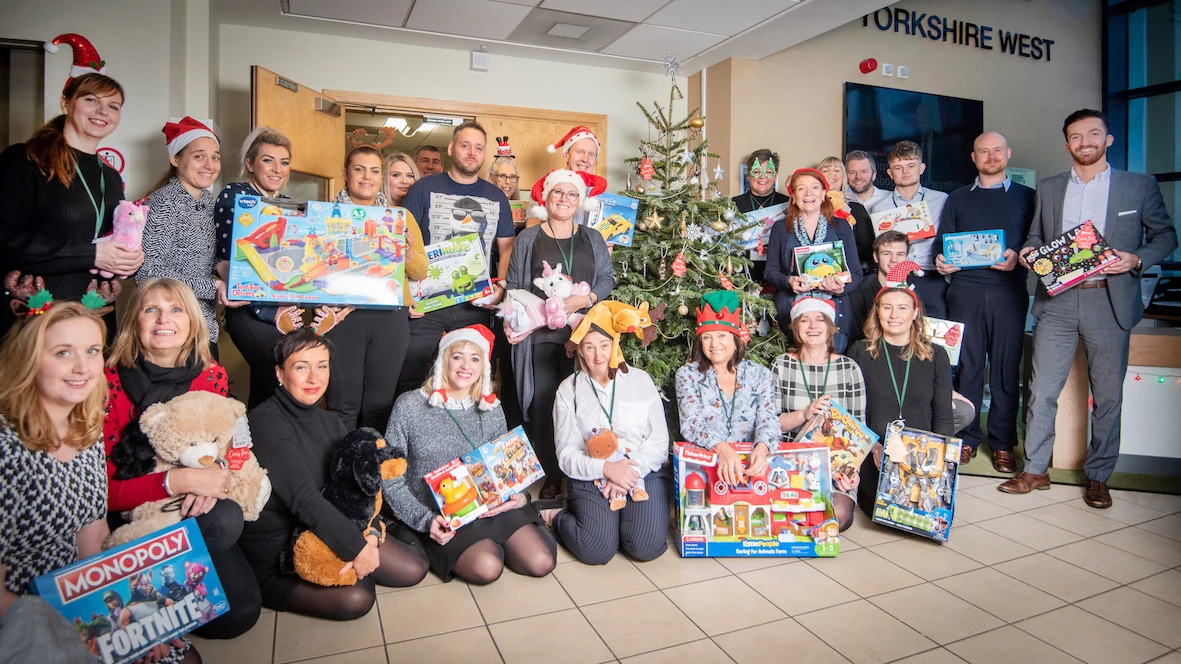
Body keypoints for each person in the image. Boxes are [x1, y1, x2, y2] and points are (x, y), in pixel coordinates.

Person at [0, 298, 197, 663]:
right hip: (24, 615)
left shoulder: (85, 431)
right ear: (28, 359)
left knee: (180, 656)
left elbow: (92, 538)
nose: (81, 367)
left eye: (91, 351)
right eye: (62, 353)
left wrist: (128, 620)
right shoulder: (6, 448)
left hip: (80, 598)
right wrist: (91, 632)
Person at [1004, 109, 1177, 508]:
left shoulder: (1139, 186)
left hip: (1109, 299)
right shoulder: (1048, 188)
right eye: (1077, 137)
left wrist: (1136, 258)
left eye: (1093, 134)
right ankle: (1035, 469)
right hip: (1057, 301)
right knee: (1041, 391)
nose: (1085, 142)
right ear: (1067, 144)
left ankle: (1099, 476)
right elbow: (1034, 236)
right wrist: (1030, 253)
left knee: (1108, 396)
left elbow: (1166, 236)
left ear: (1107, 140)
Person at [101, 277, 261, 639]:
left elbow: (229, 443)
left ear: (192, 321)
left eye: (176, 310)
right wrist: (177, 481)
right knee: (226, 519)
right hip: (135, 515)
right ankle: (146, 609)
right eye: (151, 310)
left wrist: (214, 478)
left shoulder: (212, 375)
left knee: (242, 614)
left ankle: (165, 603)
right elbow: (103, 492)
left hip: (197, 513)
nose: (163, 319)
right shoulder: (107, 381)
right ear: (133, 321)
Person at [241, 329, 429, 619]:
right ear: (280, 373)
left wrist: (373, 536)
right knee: (357, 599)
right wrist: (355, 548)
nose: (314, 378)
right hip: (281, 550)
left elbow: (355, 490)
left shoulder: (332, 422)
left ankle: (408, 533)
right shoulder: (263, 420)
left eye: (322, 366)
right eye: (301, 367)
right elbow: (304, 500)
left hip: (329, 527)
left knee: (414, 568)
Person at [383, 325, 557, 583]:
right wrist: (425, 520)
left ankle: (511, 531)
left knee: (541, 561)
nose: (466, 366)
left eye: (475, 358)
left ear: (483, 366)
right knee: (487, 567)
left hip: (491, 507)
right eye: (457, 356)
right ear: (443, 360)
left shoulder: (491, 406)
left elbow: (508, 468)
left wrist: (518, 497)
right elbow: (389, 478)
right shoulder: (409, 405)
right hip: (442, 515)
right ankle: (487, 544)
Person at [0, 73, 140, 336]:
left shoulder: (109, 176)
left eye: (113, 106)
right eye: (91, 100)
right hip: (33, 317)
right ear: (65, 103)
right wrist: (93, 254)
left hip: (93, 314)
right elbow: (4, 240)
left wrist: (129, 261)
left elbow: (108, 242)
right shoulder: (26, 159)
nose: (102, 111)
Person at [507, 169, 613, 499]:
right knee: (545, 405)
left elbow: (607, 280)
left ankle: (587, 472)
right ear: (546, 197)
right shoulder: (528, 238)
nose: (564, 200)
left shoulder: (593, 238)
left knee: (587, 402)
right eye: (558, 193)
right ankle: (553, 473)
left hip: (587, 335)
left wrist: (585, 299)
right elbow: (514, 287)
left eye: (571, 194)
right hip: (541, 336)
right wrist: (516, 323)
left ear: (580, 200)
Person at [935, 132, 1035, 473]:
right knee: (968, 368)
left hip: (1009, 292)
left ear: (1008, 153)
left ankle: (1004, 442)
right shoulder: (957, 199)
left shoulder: (1028, 198)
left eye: (996, 151)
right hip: (965, 291)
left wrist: (1019, 256)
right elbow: (941, 244)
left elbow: (1036, 242)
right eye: (983, 152)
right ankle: (967, 437)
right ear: (973, 158)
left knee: (1007, 369)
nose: (990, 156)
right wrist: (940, 261)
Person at [397, 121, 516, 398]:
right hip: (426, 303)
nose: (472, 153)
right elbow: (402, 243)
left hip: (474, 305)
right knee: (412, 377)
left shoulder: (496, 196)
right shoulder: (423, 189)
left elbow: (506, 249)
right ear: (452, 149)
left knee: (467, 382)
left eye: (478, 148)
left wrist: (501, 287)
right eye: (465, 145)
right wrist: (406, 295)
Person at [544, 308, 670, 563]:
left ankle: (619, 520)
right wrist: (606, 470)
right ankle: (554, 515)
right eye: (589, 347)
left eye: (604, 345)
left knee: (644, 548)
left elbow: (658, 441)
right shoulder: (568, 390)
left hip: (641, 471)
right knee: (596, 550)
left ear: (616, 344)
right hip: (593, 472)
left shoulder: (640, 381)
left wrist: (626, 472)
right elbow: (566, 454)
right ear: (580, 350)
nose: (598, 355)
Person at [323, 146, 428, 430]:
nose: (366, 177)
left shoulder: (400, 218)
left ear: (380, 176)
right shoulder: (325, 216)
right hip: (343, 318)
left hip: (389, 319)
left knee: (380, 405)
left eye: (373, 170)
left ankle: (376, 471)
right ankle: (340, 471)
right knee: (343, 404)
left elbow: (421, 271)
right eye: (359, 169)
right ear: (345, 174)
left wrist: (406, 253)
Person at [846, 275, 954, 517]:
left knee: (927, 514)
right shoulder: (859, 352)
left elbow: (944, 415)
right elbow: (850, 414)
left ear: (915, 313)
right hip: (876, 454)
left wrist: (942, 463)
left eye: (902, 308)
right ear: (878, 312)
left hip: (921, 457)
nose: (894, 315)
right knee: (884, 510)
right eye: (887, 307)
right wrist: (870, 445)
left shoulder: (936, 355)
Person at [773, 296, 866, 531]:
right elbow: (771, 425)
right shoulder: (781, 365)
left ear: (830, 327)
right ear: (796, 327)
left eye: (820, 320)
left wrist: (851, 472)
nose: (813, 327)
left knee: (840, 516)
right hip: (788, 463)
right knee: (779, 511)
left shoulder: (849, 369)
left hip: (834, 467)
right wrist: (804, 414)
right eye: (805, 320)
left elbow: (859, 433)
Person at [215, 127, 292, 407]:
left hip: (281, 308)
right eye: (268, 160)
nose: (277, 169)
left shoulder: (287, 204)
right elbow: (219, 252)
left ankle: (255, 447)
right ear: (250, 164)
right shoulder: (235, 195)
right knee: (275, 377)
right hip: (246, 307)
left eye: (284, 162)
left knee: (267, 385)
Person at [138, 117, 224, 354]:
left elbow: (198, 259)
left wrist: (221, 266)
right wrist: (214, 288)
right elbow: (148, 272)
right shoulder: (164, 202)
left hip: (203, 325)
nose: (209, 165)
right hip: (171, 330)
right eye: (199, 156)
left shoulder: (207, 201)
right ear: (175, 159)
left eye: (215, 157)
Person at [676, 291, 779, 486]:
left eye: (722, 335)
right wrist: (722, 448)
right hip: (705, 468)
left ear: (735, 338)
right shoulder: (687, 375)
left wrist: (763, 448)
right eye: (707, 337)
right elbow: (691, 423)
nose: (714, 344)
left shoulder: (760, 374)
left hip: (752, 467)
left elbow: (769, 420)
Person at [764, 167, 863, 352]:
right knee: (796, 368)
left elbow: (856, 274)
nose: (808, 193)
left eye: (815, 187)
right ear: (793, 196)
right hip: (792, 310)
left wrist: (842, 287)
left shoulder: (841, 227)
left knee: (831, 366)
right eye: (801, 188)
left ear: (824, 193)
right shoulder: (780, 228)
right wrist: (789, 281)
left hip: (835, 309)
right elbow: (770, 272)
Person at [869, 141, 950, 317]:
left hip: (932, 277)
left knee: (935, 334)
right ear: (890, 173)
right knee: (897, 330)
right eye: (898, 167)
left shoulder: (942, 200)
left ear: (921, 168)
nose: (905, 172)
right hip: (896, 278)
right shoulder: (879, 208)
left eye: (911, 165)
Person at [849, 231, 910, 344]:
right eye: (887, 253)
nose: (894, 259)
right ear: (876, 257)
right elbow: (855, 338)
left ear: (906, 258)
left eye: (900, 254)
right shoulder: (859, 294)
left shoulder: (913, 292)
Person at [818, 155, 875, 271]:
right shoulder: (808, 207)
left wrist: (839, 254)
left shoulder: (856, 208)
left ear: (843, 177)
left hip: (850, 273)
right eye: (825, 170)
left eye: (836, 170)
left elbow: (868, 248)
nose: (831, 174)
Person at [733, 149, 790, 213]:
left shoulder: (788, 204)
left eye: (768, 172)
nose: (762, 177)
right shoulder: (733, 205)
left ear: (776, 176)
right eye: (756, 172)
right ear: (748, 175)